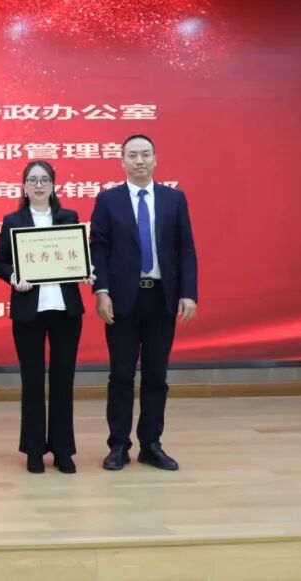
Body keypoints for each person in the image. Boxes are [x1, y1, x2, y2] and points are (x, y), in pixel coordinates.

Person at [90, 134, 198, 471]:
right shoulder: (108, 200)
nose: (139, 160)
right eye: (132, 155)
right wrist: (101, 291)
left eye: (145, 154)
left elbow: (186, 249)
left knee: (156, 375)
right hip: (122, 299)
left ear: (155, 159)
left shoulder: (173, 199)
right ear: (122, 161)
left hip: (161, 298)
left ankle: (151, 444)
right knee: (121, 375)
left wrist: (189, 292)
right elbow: (98, 248)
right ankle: (118, 445)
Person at [0, 161, 88, 475]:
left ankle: (63, 450)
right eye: (32, 180)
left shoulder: (68, 217)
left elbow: (78, 257)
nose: (38, 185)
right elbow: (0, 262)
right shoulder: (13, 220)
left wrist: (85, 270)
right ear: (24, 186)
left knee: (63, 380)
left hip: (65, 311)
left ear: (53, 185)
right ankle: (34, 450)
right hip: (28, 311)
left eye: (44, 179)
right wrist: (14, 277)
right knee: (32, 381)